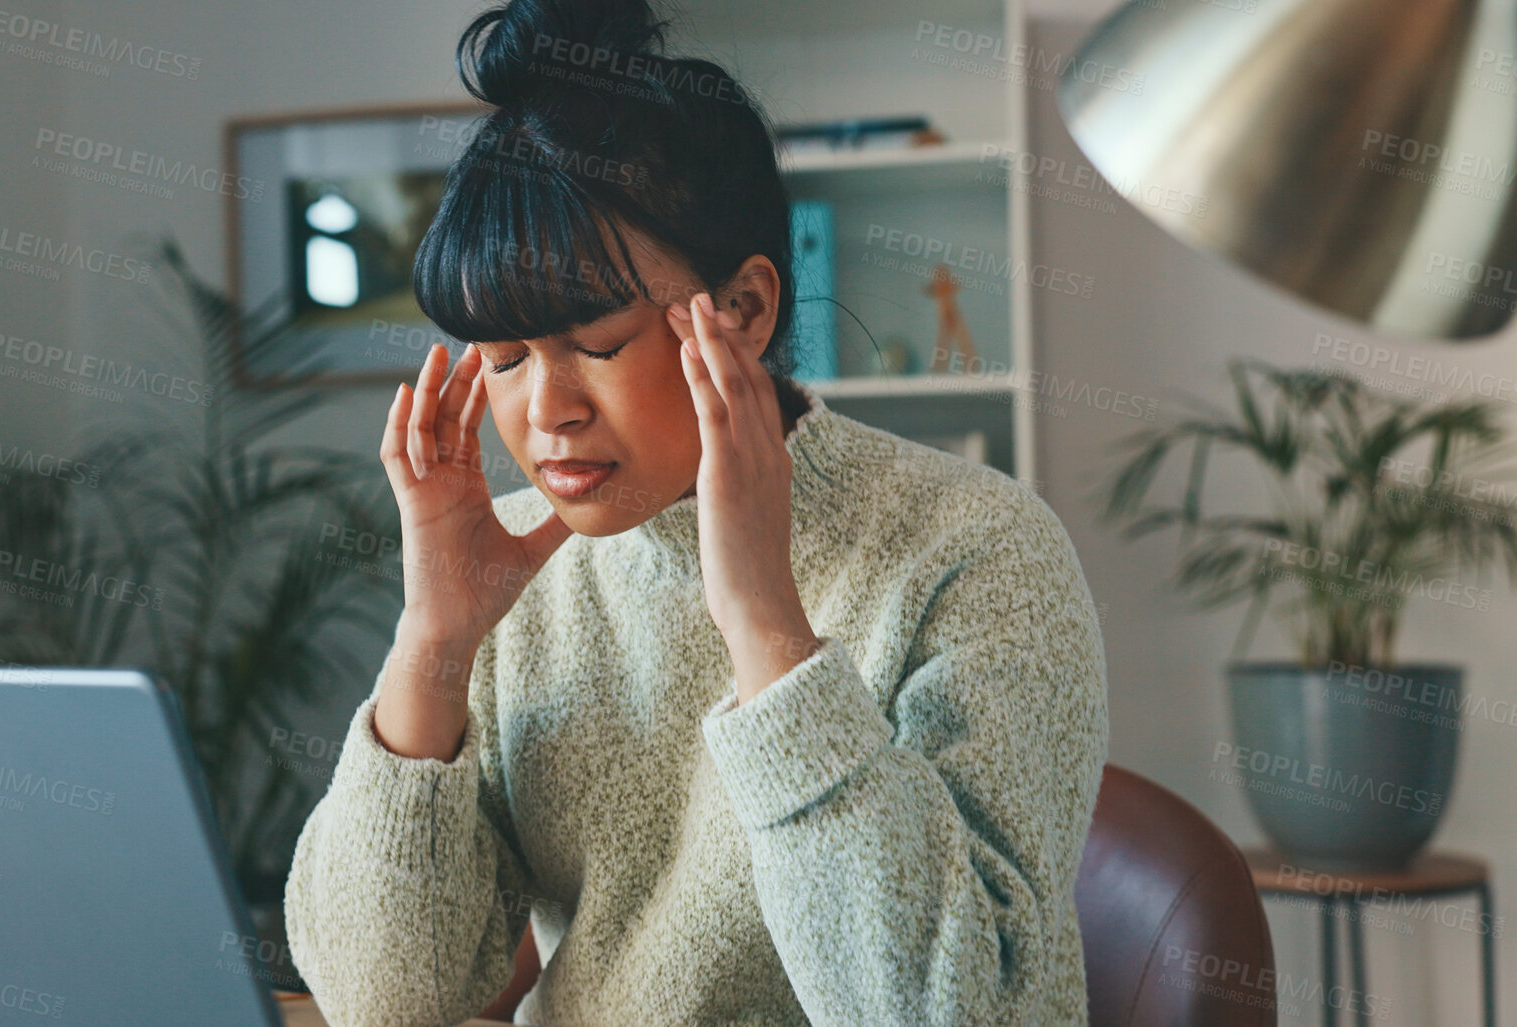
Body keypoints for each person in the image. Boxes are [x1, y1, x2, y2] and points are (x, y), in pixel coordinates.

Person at [284, 1, 1109, 1023]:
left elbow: (958, 1011)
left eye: (596, 343)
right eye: (503, 358)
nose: (546, 414)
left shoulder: (976, 549)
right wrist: (436, 644)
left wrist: (767, 624)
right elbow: (384, 997)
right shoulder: (514, 574)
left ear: (747, 310)